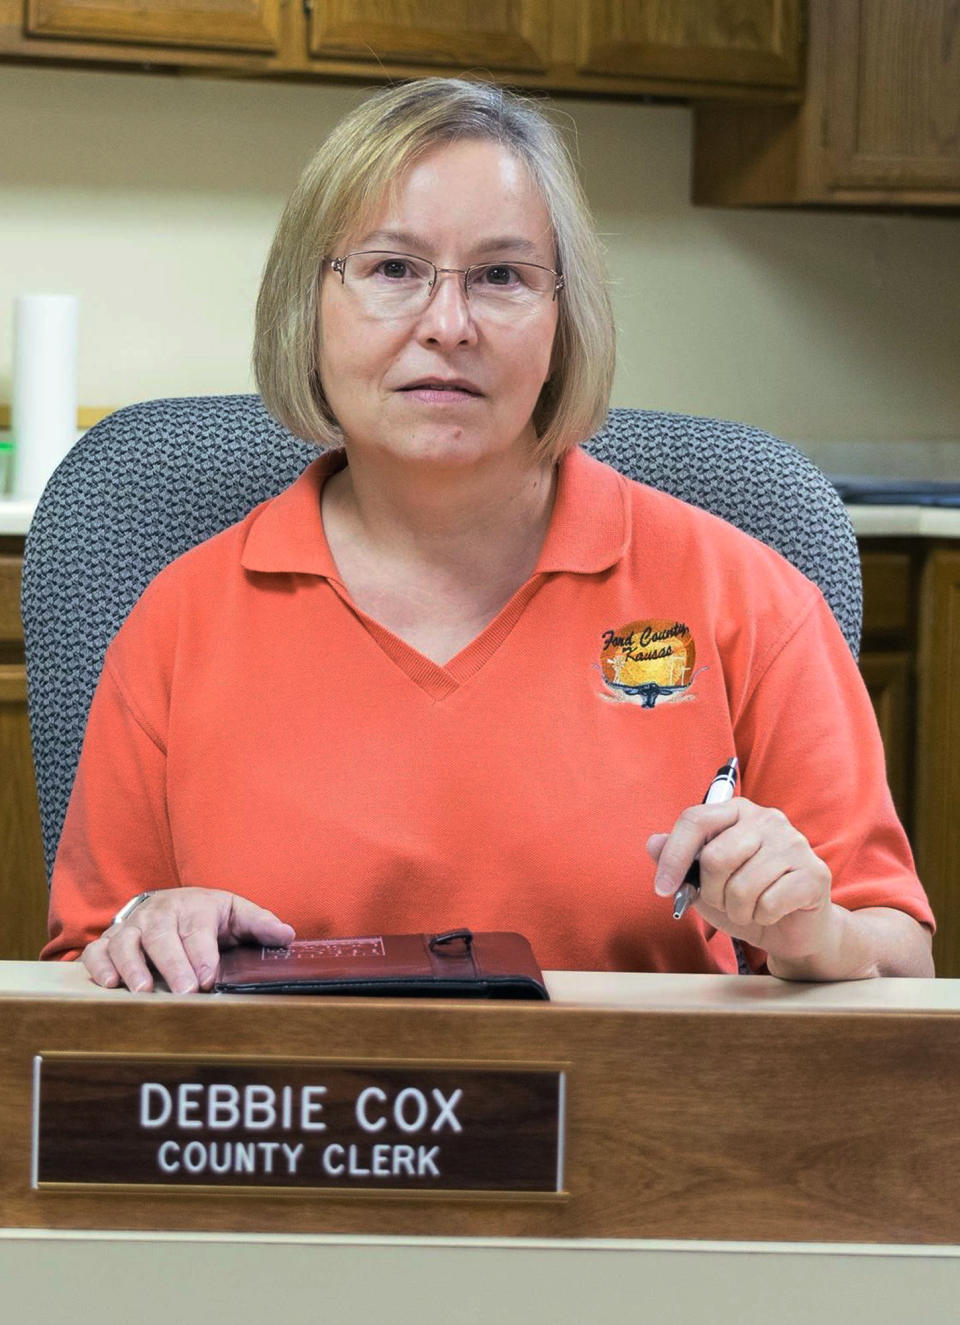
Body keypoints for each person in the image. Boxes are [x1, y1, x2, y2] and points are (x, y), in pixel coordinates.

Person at [43, 77, 934, 991]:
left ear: (562, 318)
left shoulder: (747, 598)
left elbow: (902, 960)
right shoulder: (180, 619)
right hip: (303, 1126)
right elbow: (82, 972)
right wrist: (144, 928)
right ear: (307, 307)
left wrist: (813, 930)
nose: (447, 325)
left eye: (502, 276)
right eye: (392, 269)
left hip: (652, 1122)